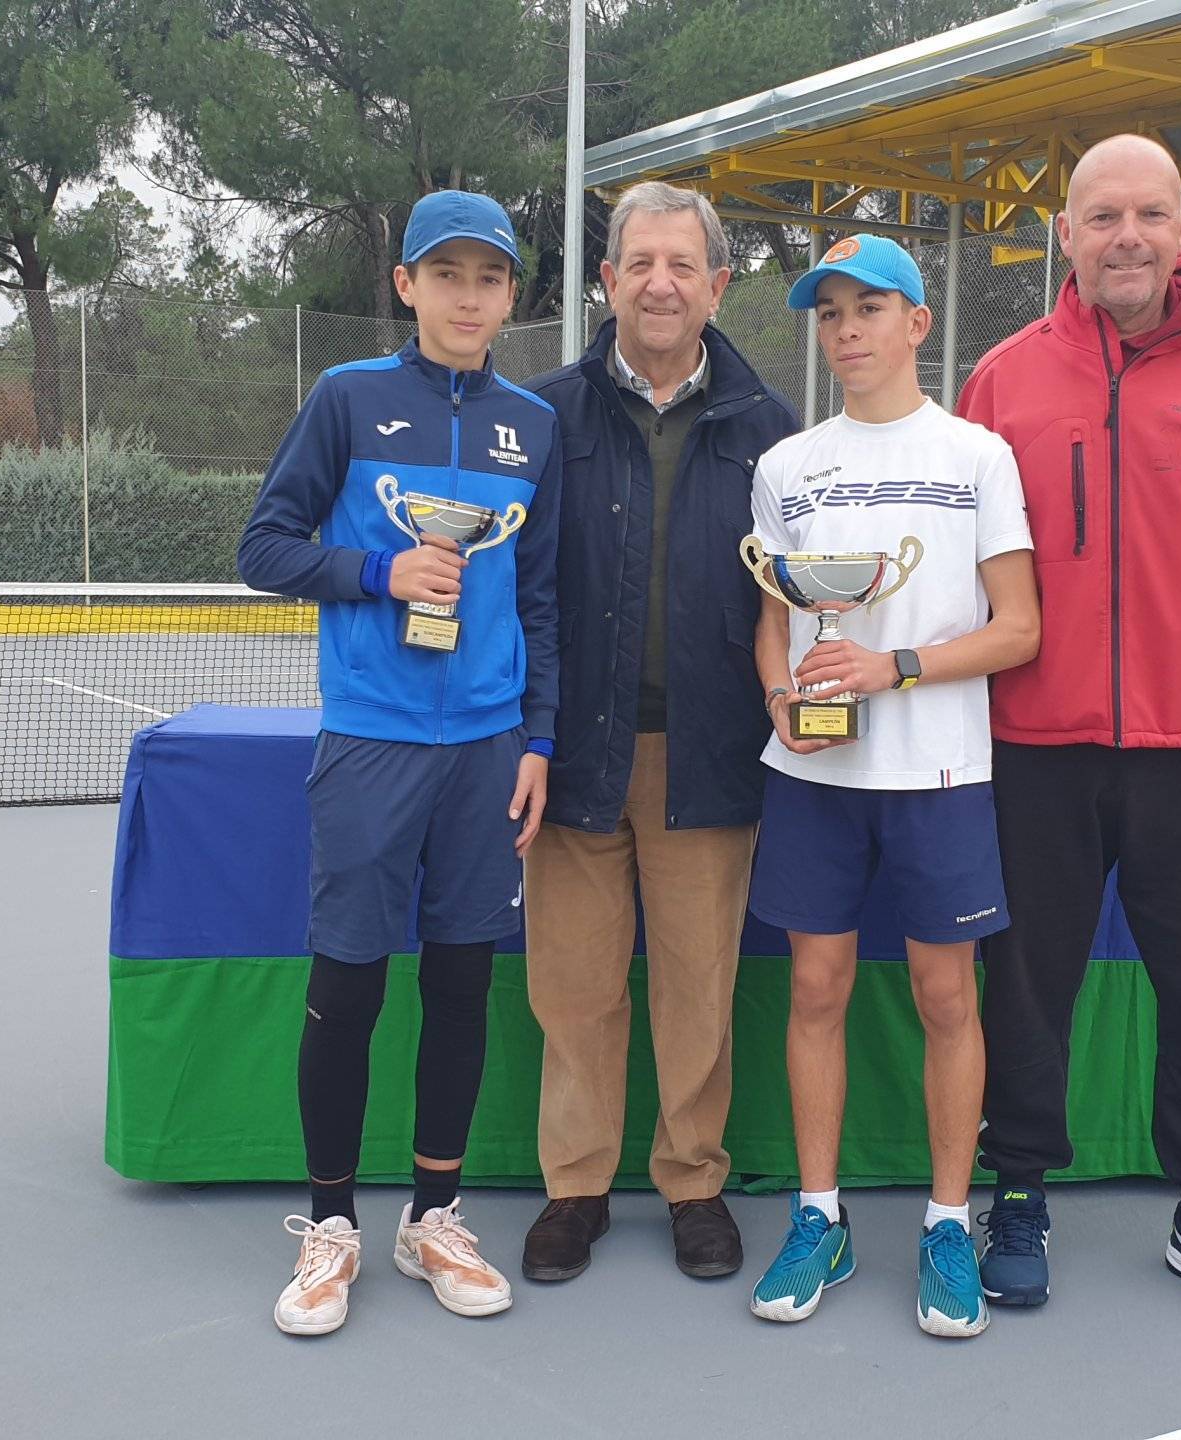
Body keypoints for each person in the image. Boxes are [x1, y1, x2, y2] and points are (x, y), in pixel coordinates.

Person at [959, 135, 1181, 1320]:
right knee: (1025, 984)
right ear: (1064, 234)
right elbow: (972, 567)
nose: (1126, 238)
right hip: (1036, 747)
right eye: (1101, 216)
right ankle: (1017, 1196)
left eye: (1148, 215)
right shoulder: (1003, 378)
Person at [235, 189, 561, 1337]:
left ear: (510, 297)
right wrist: (379, 576)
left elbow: (543, 598)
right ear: (406, 286)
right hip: (370, 742)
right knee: (351, 985)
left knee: (463, 982)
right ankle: (332, 1226)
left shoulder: (535, 423)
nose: (468, 296)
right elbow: (263, 547)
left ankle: (434, 1215)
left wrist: (538, 741)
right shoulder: (347, 399)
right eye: (447, 274)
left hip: (484, 755)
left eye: (490, 278)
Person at [739, 234, 1038, 1338]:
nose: (847, 330)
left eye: (870, 308)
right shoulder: (786, 467)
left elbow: (1020, 629)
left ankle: (947, 1222)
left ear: (918, 323)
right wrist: (782, 699)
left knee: (945, 999)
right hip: (814, 775)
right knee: (814, 993)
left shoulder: (977, 456)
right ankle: (819, 1215)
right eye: (830, 314)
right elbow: (772, 621)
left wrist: (894, 667)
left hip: (942, 772)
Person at [518, 183, 798, 1283]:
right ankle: (574, 1189)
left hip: (713, 761)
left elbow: (797, 601)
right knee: (574, 991)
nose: (660, 282)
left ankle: (692, 1182)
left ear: (719, 284)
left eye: (683, 264)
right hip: (574, 757)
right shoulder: (540, 416)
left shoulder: (772, 431)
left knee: (698, 990)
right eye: (639, 262)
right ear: (607, 280)